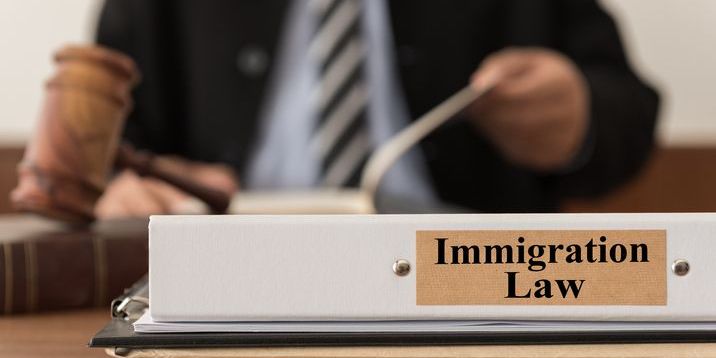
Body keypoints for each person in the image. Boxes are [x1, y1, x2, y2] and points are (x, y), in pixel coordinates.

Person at [94, 0, 659, 218]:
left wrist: (579, 116)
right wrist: (121, 187)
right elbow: (105, 142)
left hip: (466, 286)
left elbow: (629, 111)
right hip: (225, 284)